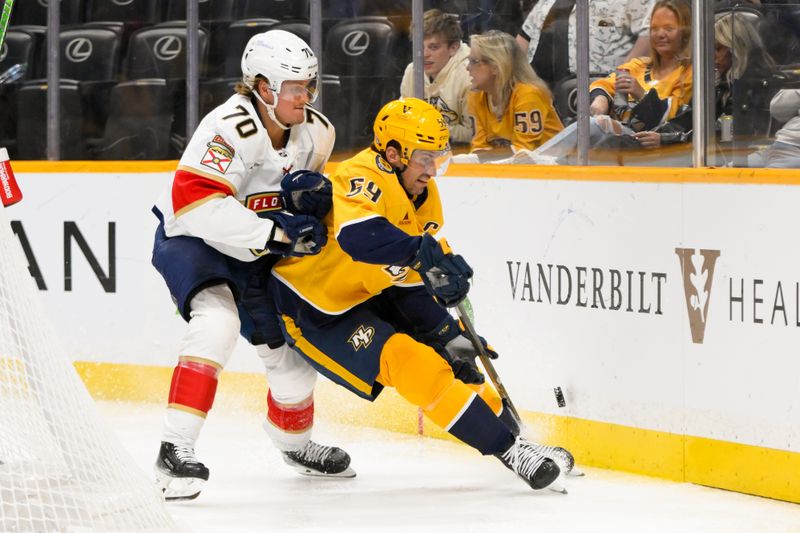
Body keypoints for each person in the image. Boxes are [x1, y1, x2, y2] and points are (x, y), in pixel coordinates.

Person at [267, 97, 576, 492]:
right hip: (315, 307)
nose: (432, 170)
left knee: (459, 355)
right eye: (424, 159)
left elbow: (406, 282)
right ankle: (510, 451)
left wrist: (444, 331)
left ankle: (521, 440)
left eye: (438, 158)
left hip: (371, 293)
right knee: (410, 362)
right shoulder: (360, 174)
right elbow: (357, 238)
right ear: (393, 153)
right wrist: (419, 252)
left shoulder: (424, 195)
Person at [150, 30, 354, 501]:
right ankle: (173, 450)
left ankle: (295, 446)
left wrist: (309, 217)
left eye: (309, 85)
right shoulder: (227, 126)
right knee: (216, 323)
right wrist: (278, 235)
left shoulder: (318, 130)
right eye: (295, 87)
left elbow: (307, 196)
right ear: (263, 88)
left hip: (257, 250)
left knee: (294, 364)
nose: (306, 96)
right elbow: (194, 205)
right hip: (195, 241)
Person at [527, 0, 693, 161]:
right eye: (654, 28)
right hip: (620, 136)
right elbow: (603, 84)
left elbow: (675, 119)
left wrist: (641, 94)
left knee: (591, 127)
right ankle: (545, 161)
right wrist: (600, 101)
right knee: (591, 125)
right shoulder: (638, 66)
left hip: (652, 145)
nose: (660, 34)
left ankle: (540, 160)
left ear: (685, 32)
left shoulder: (689, 73)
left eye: (669, 28)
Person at [461, 30, 563, 161]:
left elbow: (523, 153)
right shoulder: (476, 97)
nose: (468, 68)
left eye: (474, 61)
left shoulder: (529, 95)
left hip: (552, 171)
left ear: (496, 66)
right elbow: (479, 148)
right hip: (507, 171)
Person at [516, 0, 656, 85]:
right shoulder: (547, 2)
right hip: (540, 91)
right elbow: (525, 36)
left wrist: (618, 82)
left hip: (600, 89)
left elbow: (649, 35)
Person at [399, 9, 473, 145]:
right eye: (419, 47)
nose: (424, 54)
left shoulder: (469, 74)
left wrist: (431, 129)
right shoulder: (412, 71)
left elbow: (473, 134)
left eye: (433, 47)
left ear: (453, 48)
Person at [748, 89, 800, 168]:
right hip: (778, 145)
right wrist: (795, 89)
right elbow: (778, 110)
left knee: (766, 179)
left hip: (795, 152)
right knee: (726, 173)